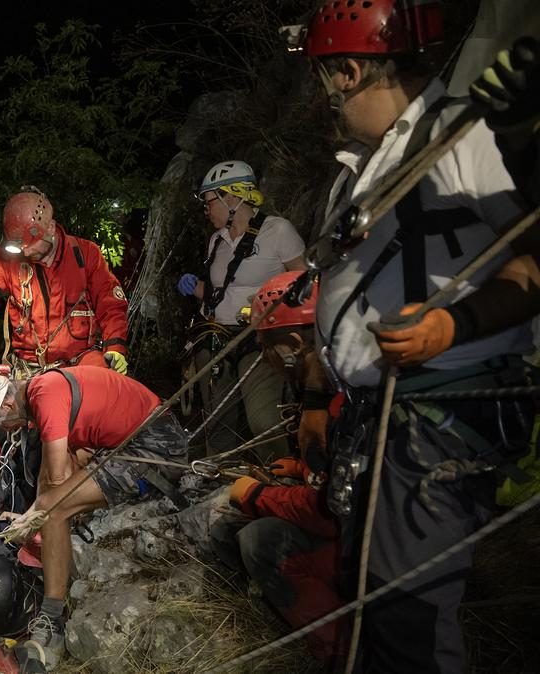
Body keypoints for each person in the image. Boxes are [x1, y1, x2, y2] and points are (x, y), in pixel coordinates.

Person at [301, 4, 536, 672]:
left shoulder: (467, 138)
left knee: (409, 617)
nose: (327, 100)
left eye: (326, 79)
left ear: (348, 71)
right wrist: (317, 401)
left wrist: (452, 325)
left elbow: (535, 258)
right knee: (370, 600)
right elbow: (340, 289)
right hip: (379, 417)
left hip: (440, 411)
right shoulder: (363, 165)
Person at [0, 365, 189, 670]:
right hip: (143, 438)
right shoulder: (42, 391)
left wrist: (37, 517)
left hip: (154, 449)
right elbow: (47, 476)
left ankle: (51, 616)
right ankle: (55, 587)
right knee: (51, 500)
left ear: (7, 404)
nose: (8, 429)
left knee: (55, 510)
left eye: (3, 422)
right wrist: (29, 515)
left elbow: (55, 486)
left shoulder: (46, 396)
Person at [208, 272, 349, 664]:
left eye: (265, 345)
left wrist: (257, 495)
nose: (263, 355)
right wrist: (300, 468)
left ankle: (340, 648)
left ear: (293, 344)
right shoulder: (325, 388)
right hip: (348, 523)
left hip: (360, 544)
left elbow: (330, 510)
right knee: (232, 528)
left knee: (261, 540)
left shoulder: (345, 402)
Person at [176, 161, 307, 460]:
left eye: (209, 202)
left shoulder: (277, 231)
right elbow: (222, 292)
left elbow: (304, 283)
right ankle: (218, 482)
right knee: (216, 423)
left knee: (263, 420)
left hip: (259, 339)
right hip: (218, 339)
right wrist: (196, 288)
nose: (206, 210)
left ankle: (280, 479)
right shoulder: (216, 241)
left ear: (231, 198)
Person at [0, 187, 130, 377]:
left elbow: (110, 305)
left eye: (30, 245)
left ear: (50, 228)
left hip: (79, 362)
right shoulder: (11, 261)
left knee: (108, 382)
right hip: (29, 370)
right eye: (19, 247)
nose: (25, 252)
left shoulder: (85, 254)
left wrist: (115, 347)